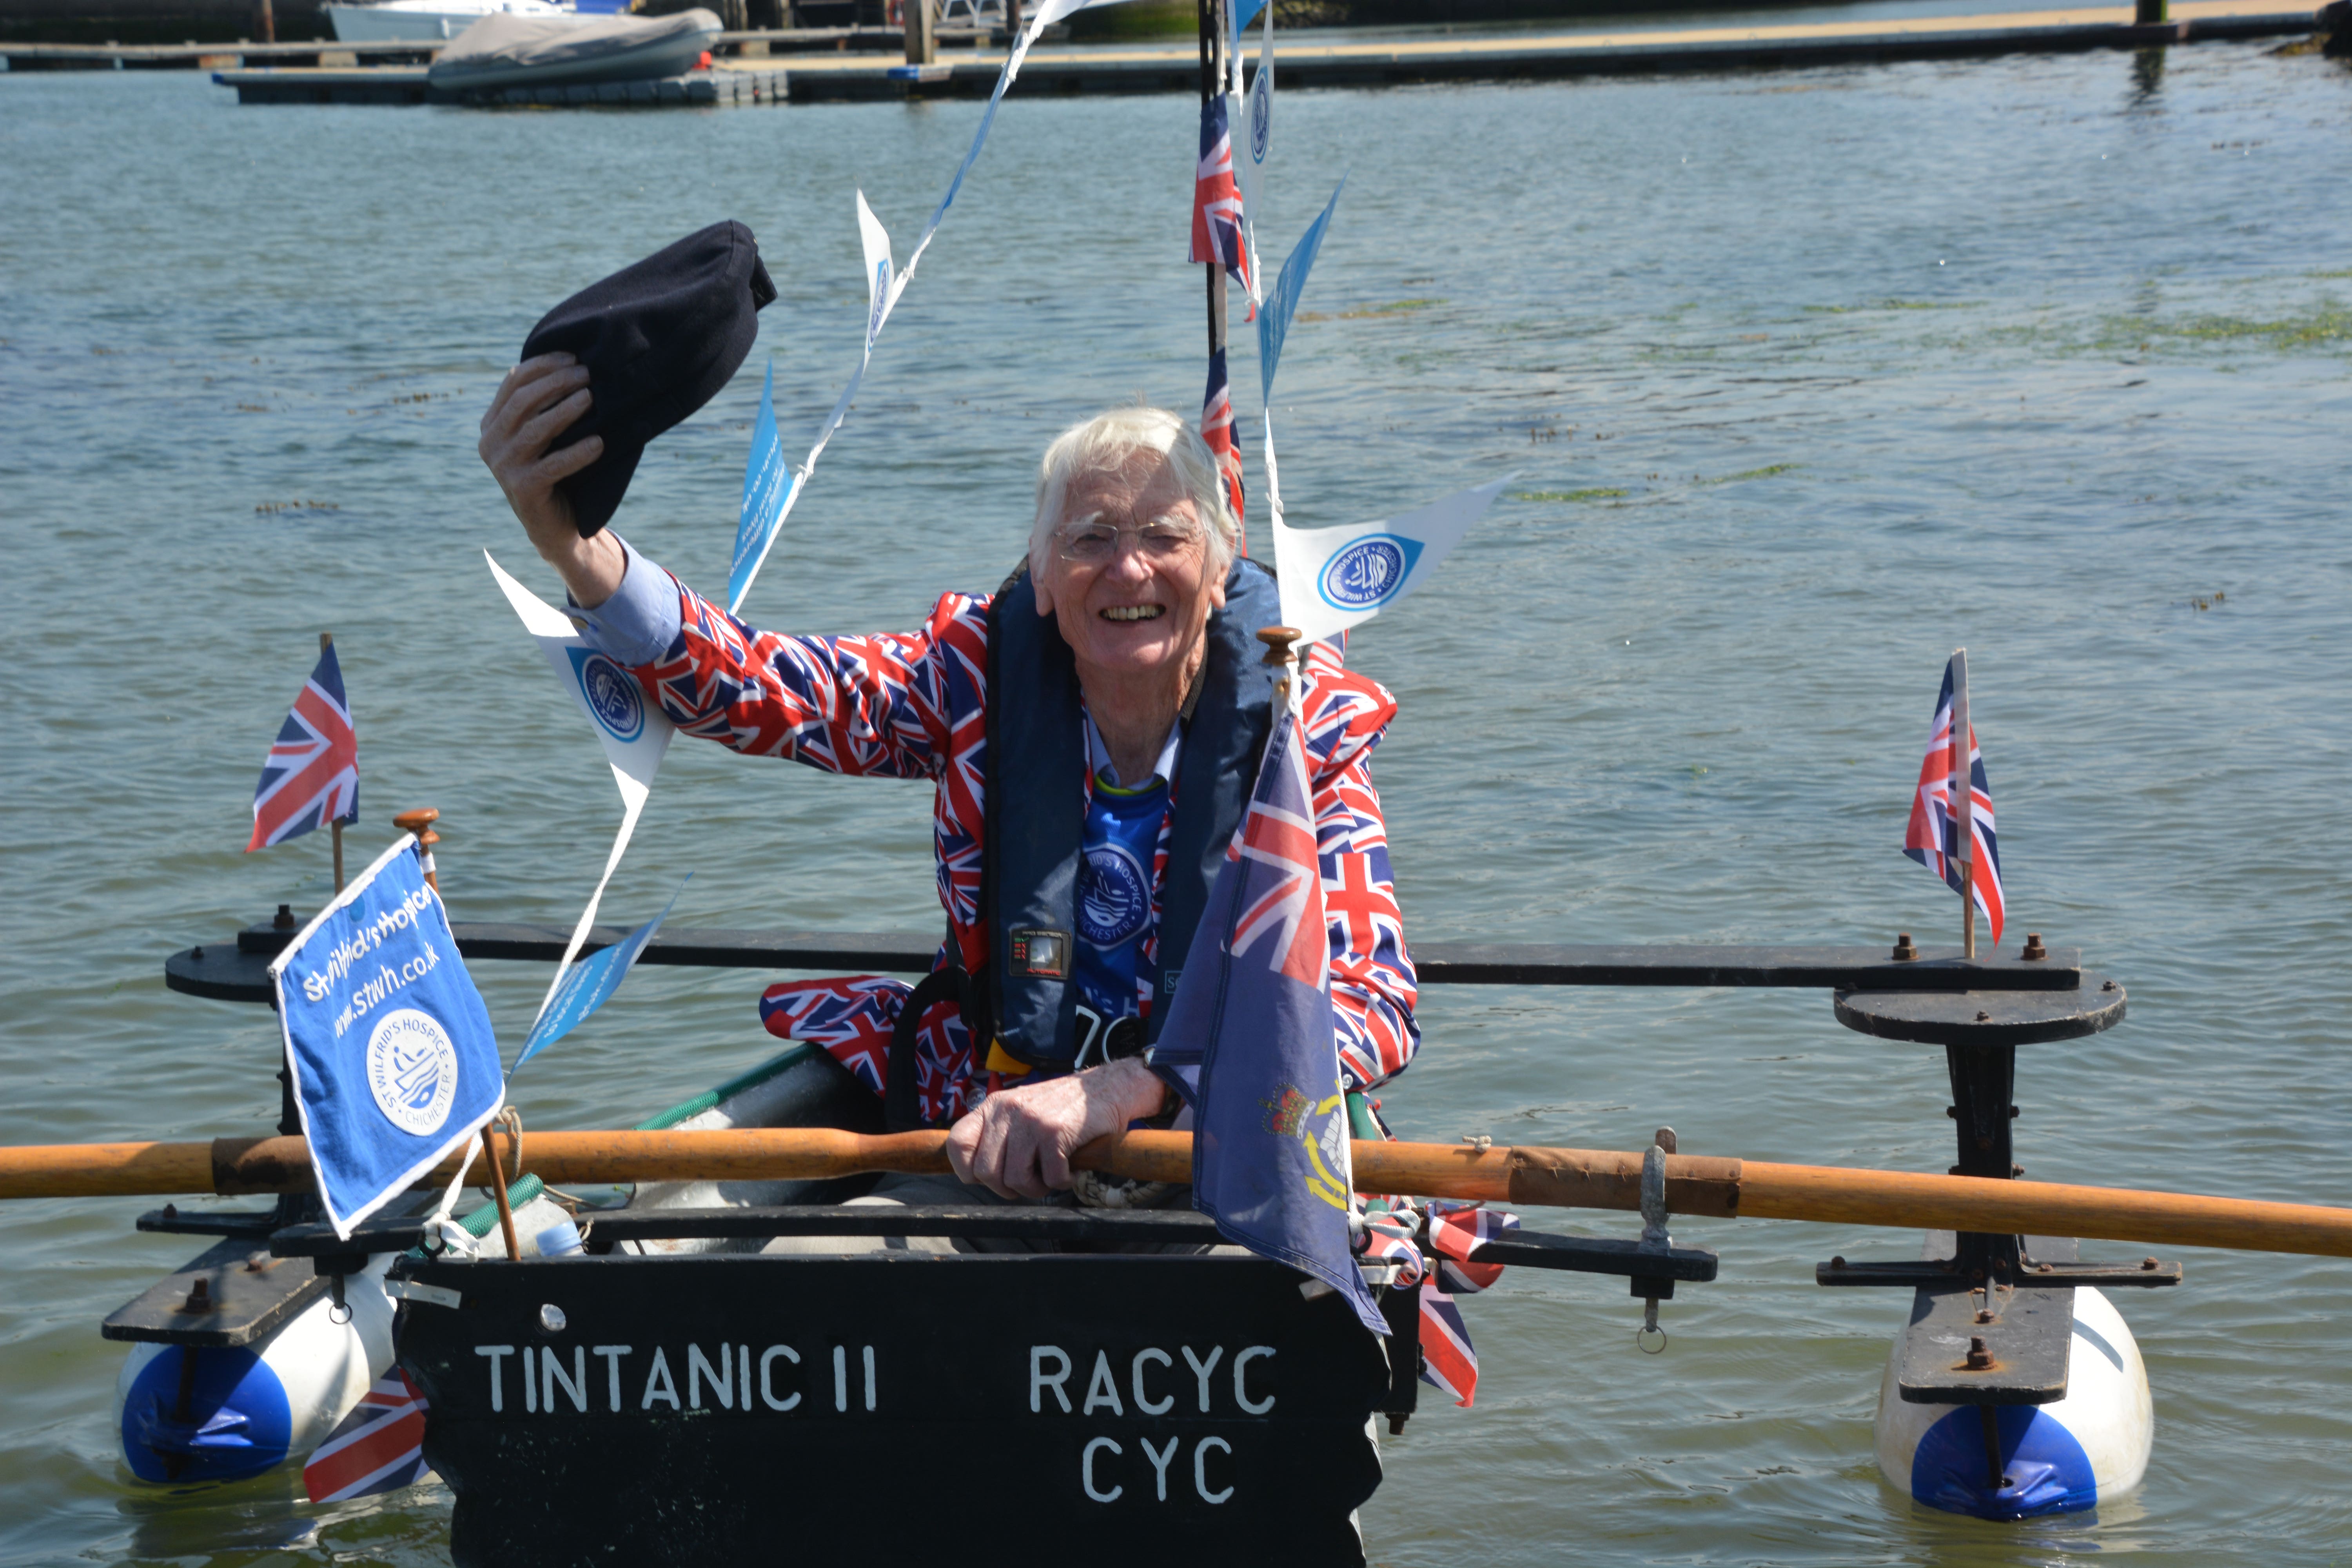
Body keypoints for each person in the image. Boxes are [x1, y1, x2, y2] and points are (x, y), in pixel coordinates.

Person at [479, 350, 1419, 1209]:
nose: (1129, 567)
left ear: (1219, 571)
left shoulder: (1306, 721)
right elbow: (769, 691)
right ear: (1041, 578)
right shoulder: (974, 673)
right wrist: (578, 547)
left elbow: (1372, 1004)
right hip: (994, 1141)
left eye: (1166, 536)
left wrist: (1134, 1085)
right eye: (1090, 538)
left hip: (1222, 1158)